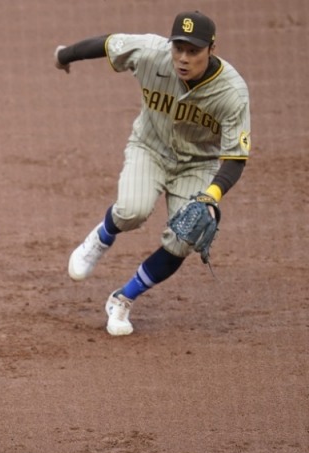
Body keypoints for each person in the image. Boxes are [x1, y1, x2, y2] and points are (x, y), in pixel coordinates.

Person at [52, 10, 251, 335]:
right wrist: (64, 55)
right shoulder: (151, 53)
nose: (183, 58)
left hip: (197, 164)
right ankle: (101, 239)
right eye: (179, 48)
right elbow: (108, 44)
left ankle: (123, 299)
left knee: (183, 240)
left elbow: (235, 157)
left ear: (211, 49)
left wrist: (211, 195)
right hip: (150, 148)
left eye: (193, 51)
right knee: (132, 210)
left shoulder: (232, 92)